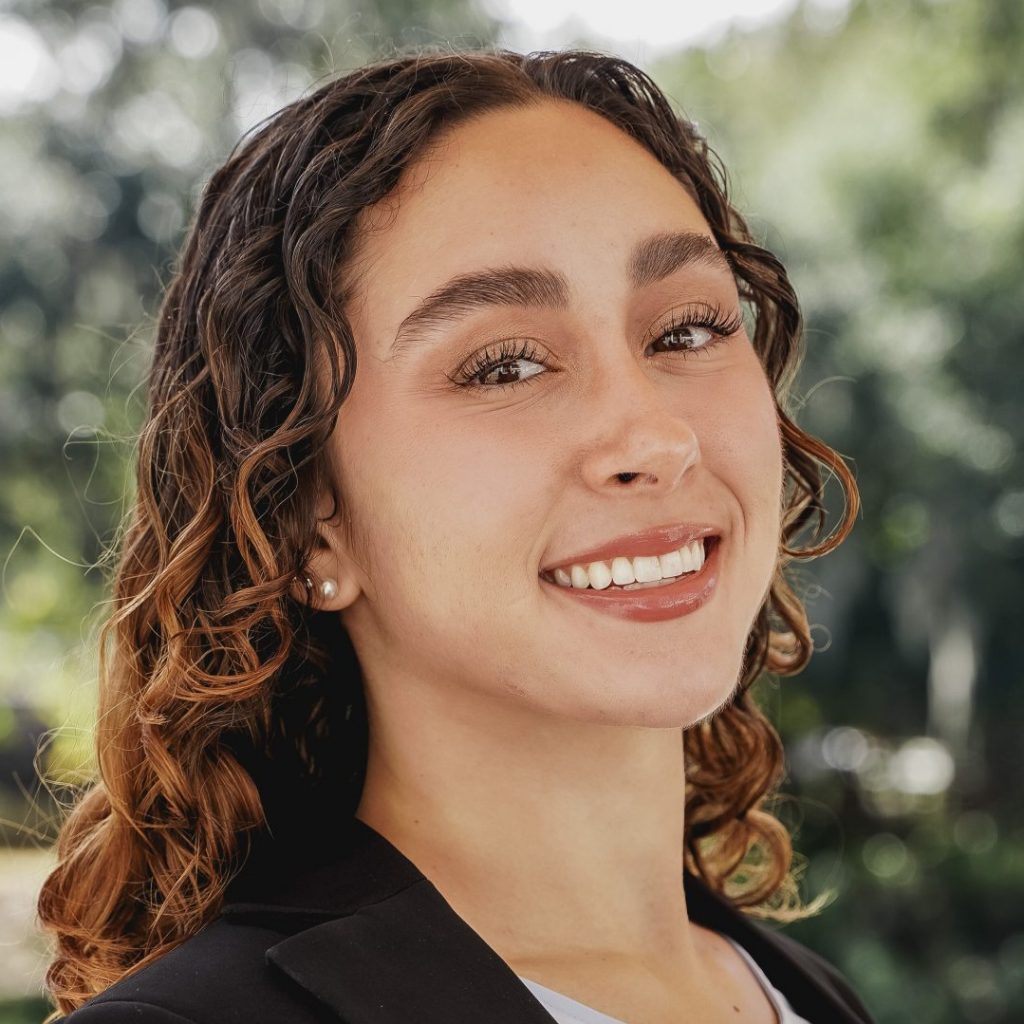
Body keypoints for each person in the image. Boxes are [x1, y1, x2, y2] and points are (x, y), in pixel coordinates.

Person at [37, 46, 873, 1023]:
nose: (656, 437)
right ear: (307, 522)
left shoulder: (805, 997)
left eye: (685, 329)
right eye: (507, 366)